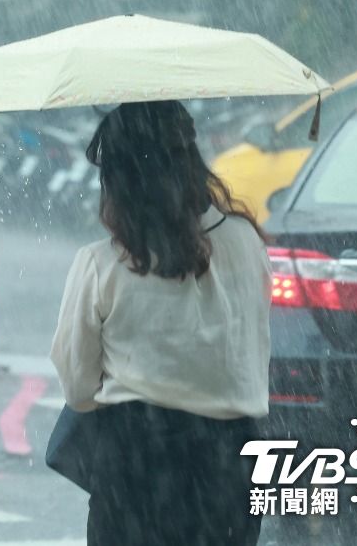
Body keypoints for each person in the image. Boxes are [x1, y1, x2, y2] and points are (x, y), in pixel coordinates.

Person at [50, 100, 271, 546]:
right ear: (192, 161)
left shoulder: (102, 265)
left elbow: (78, 389)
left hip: (135, 465)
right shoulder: (246, 243)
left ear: (118, 181)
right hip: (232, 463)